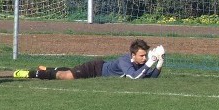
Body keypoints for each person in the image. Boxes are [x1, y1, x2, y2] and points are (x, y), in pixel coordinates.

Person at [13, 39, 164, 80]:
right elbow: (134, 77)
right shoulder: (124, 61)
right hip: (94, 68)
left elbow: (148, 77)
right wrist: (151, 61)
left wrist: (159, 63)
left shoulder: (140, 63)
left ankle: (49, 69)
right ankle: (30, 73)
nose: (144, 58)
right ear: (133, 55)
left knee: (70, 72)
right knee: (66, 77)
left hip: (99, 71)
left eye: (145, 55)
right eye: (142, 56)